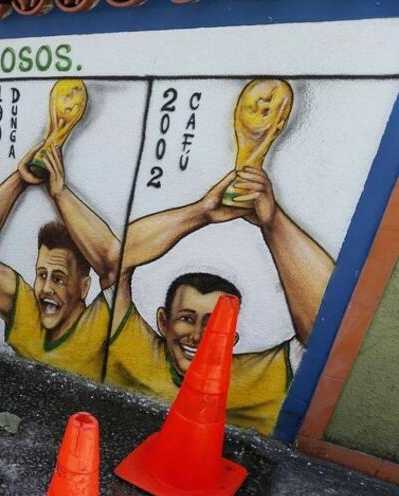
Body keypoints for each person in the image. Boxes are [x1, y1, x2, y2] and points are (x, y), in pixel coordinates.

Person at [106, 169, 334, 433]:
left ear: (232, 337)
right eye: (186, 318)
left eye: (213, 324)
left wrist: (274, 223)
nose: (197, 335)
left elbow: (326, 325)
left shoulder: (266, 373)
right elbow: (115, 259)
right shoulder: (133, 343)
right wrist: (201, 212)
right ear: (162, 322)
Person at [0, 141, 121, 380]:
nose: (46, 288)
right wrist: (19, 179)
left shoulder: (98, 325)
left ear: (84, 287)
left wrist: (60, 195)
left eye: (58, 278)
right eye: (41, 275)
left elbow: (114, 261)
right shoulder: (24, 309)